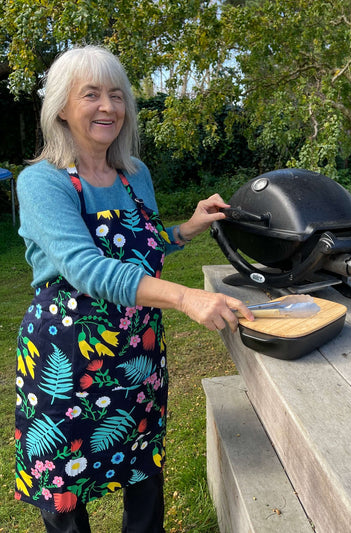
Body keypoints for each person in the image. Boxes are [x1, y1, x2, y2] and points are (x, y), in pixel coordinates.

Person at [14, 45, 254, 532]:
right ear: (61, 106)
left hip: (138, 353)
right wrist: (186, 297)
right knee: (64, 488)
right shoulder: (42, 182)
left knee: (143, 467)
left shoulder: (134, 174)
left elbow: (139, 253)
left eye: (117, 95)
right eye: (92, 95)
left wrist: (185, 229)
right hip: (66, 359)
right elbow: (88, 268)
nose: (108, 107)